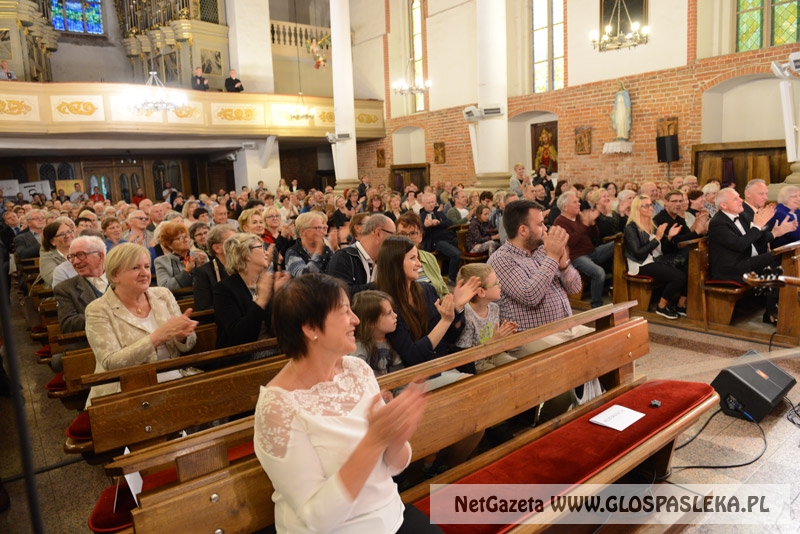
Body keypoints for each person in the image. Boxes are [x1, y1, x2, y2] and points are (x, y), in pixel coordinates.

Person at [254, 273, 434, 533]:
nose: (356, 320)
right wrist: (374, 440)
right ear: (310, 328)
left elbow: (395, 466)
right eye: (344, 311)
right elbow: (317, 518)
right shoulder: (277, 406)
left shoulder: (357, 370)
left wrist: (397, 435)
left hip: (390, 515)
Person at [84, 243, 198, 404]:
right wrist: (156, 338)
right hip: (128, 390)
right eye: (135, 268)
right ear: (115, 275)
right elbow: (110, 363)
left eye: (146, 266)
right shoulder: (98, 309)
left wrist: (182, 337)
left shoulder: (163, 295)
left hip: (176, 378)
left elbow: (189, 344)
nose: (145, 273)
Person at [213, 233, 289, 349]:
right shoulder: (224, 290)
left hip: (274, 347)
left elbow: (280, 328)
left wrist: (279, 296)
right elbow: (239, 336)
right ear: (245, 254)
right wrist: (261, 301)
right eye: (260, 247)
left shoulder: (268, 282)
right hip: (243, 354)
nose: (266, 253)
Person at [624, 195, 687, 319]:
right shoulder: (631, 227)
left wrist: (669, 236)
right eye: (646, 206)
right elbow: (638, 253)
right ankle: (662, 306)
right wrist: (657, 238)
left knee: (686, 267)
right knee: (678, 276)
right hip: (641, 263)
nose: (650, 208)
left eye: (650, 205)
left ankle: (680, 304)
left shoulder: (652, 223)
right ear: (637, 209)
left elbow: (662, 247)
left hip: (656, 259)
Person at [553, 192, 614, 309]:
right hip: (577, 257)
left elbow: (595, 235)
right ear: (565, 207)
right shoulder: (560, 222)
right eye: (575, 202)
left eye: (578, 201)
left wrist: (592, 223)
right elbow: (572, 242)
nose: (579, 204)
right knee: (599, 272)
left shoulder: (578, 217)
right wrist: (585, 223)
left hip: (592, 252)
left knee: (617, 245)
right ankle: (596, 305)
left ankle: (614, 288)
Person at [453, 263, 517, 372]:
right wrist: (494, 340)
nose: (500, 285)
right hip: (477, 363)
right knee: (500, 374)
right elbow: (467, 356)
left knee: (517, 365)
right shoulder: (467, 316)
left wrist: (504, 334)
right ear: (481, 292)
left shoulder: (494, 308)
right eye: (496, 283)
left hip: (494, 354)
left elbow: (496, 343)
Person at [328, 214, 395, 295]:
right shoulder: (344, 257)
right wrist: (379, 284)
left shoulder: (386, 262)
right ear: (378, 233)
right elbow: (340, 294)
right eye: (392, 235)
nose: (394, 241)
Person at [54, 236, 108, 334]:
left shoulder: (121, 279)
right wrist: (104, 315)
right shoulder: (65, 288)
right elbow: (67, 324)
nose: (75, 262)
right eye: (72, 257)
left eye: (81, 255)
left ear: (100, 256)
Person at [351, 290, 405, 377]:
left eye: (393, 311)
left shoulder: (393, 340)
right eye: (389, 313)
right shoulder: (359, 348)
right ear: (371, 322)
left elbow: (398, 373)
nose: (395, 315)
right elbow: (358, 377)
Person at [395, 212, 449, 298]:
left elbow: (444, 291)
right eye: (402, 234)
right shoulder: (392, 261)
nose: (407, 238)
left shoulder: (429, 257)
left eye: (413, 233)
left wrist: (447, 302)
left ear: (420, 236)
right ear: (395, 237)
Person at [419, 193, 461, 285]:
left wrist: (438, 223)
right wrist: (426, 226)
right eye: (428, 203)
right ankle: (451, 278)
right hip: (435, 242)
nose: (431, 204)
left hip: (448, 238)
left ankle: (460, 274)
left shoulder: (439, 213)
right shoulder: (422, 216)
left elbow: (449, 223)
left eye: (432, 202)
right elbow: (421, 234)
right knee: (456, 254)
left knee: (463, 246)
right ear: (423, 204)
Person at [193, 224, 236, 311]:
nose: (239, 245)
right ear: (217, 248)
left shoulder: (245, 266)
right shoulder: (204, 272)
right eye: (232, 242)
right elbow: (204, 308)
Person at [154, 221, 208, 289]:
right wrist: (186, 271)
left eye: (186, 237)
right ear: (169, 244)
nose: (185, 240)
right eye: (180, 238)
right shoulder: (161, 261)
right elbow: (164, 287)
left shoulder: (200, 257)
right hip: (176, 296)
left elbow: (209, 283)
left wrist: (200, 268)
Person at [285, 211, 333, 277]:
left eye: (322, 228)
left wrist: (336, 250)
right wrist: (318, 253)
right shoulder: (292, 253)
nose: (322, 232)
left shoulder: (326, 250)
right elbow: (305, 277)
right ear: (303, 231)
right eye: (317, 228)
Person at [39, 220, 74, 288]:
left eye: (69, 231)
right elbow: (53, 278)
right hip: (59, 291)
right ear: (52, 241)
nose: (67, 235)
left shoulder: (80, 250)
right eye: (62, 234)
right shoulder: (47, 257)